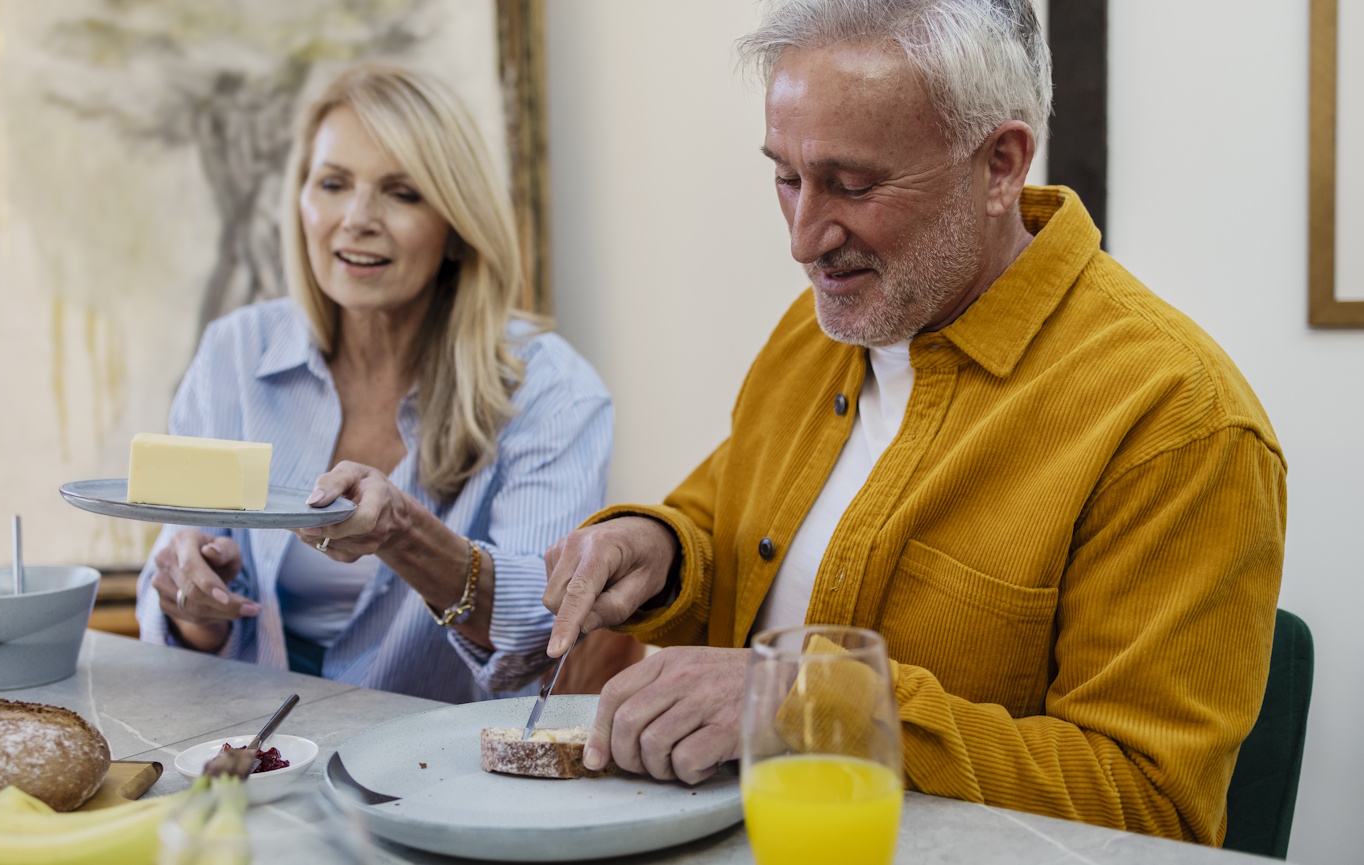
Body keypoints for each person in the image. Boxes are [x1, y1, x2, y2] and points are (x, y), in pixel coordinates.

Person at [542, 0, 1283, 846]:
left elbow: (1151, 810)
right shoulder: (824, 324)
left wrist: (807, 698)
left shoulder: (1177, 419)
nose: (803, 238)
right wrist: (659, 545)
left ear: (1002, 164)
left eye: (852, 184)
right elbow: (728, 529)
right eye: (785, 177)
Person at [135, 65, 612, 703]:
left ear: (454, 228)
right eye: (333, 183)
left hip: (438, 777)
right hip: (243, 756)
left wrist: (404, 536)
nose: (357, 218)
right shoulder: (233, 353)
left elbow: (537, 638)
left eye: (403, 193)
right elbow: (178, 605)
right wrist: (193, 603)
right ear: (302, 199)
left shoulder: (553, 392)